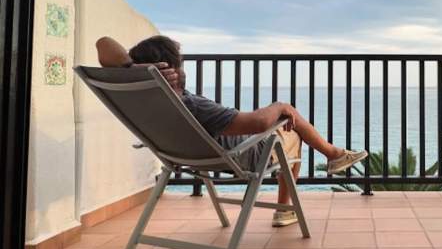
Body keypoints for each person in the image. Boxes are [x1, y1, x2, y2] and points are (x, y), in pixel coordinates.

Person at [96, 35, 368, 227]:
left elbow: (103, 44)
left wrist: (133, 69)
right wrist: (280, 106)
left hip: (183, 158)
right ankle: (294, 199)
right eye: (180, 61)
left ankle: (333, 155)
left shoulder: (148, 102)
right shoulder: (192, 105)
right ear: (170, 67)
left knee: (285, 121)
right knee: (292, 127)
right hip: (243, 155)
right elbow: (259, 124)